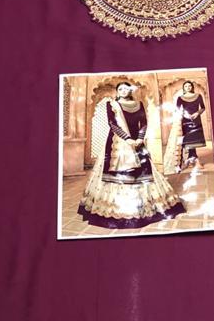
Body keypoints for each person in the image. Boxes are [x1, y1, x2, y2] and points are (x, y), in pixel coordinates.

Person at [78, 82, 185, 228]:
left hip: (137, 142)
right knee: (118, 173)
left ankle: (145, 206)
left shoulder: (139, 104)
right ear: (117, 91)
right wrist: (127, 139)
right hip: (117, 143)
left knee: (143, 171)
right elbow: (112, 124)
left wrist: (140, 138)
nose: (123, 91)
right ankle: (117, 208)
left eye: (126, 88)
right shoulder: (112, 105)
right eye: (120, 89)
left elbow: (144, 123)